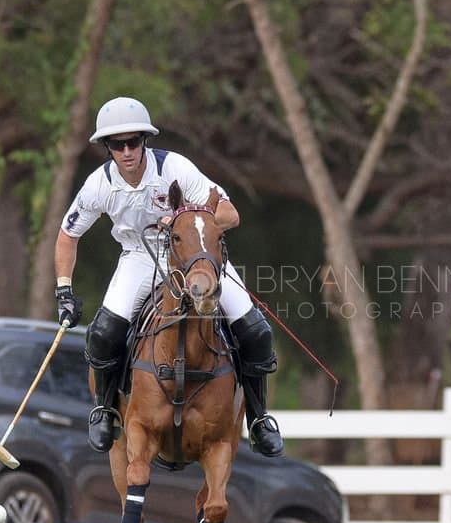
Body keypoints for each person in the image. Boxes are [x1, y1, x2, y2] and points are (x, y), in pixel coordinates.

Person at [52, 96, 284, 458]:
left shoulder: (175, 167)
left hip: (194, 255)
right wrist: (64, 290)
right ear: (107, 148)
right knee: (103, 333)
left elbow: (229, 213)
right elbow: (68, 236)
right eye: (117, 145)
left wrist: (186, 224)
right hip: (138, 257)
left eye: (134, 142)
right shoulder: (98, 185)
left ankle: (258, 418)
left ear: (145, 141)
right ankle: (104, 409)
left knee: (256, 330)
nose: (127, 152)